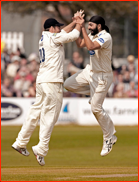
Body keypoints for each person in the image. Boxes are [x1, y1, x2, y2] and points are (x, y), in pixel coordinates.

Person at [12, 13, 84, 166]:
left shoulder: (45, 38)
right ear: (51, 28)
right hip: (52, 82)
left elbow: (64, 33)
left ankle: (20, 142)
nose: (59, 29)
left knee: (35, 112)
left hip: (42, 81)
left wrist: (72, 22)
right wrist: (79, 23)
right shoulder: (54, 38)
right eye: (57, 27)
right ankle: (41, 148)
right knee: (49, 116)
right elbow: (74, 35)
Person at [64, 13, 117, 156]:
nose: (89, 27)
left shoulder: (105, 37)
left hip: (102, 77)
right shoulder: (92, 34)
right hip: (90, 72)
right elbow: (81, 43)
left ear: (99, 26)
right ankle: (94, 94)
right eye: (88, 25)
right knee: (68, 84)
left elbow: (90, 46)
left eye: (91, 25)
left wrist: (81, 29)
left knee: (95, 108)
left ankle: (109, 137)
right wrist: (77, 25)